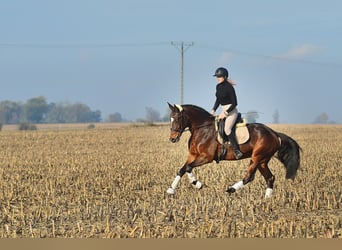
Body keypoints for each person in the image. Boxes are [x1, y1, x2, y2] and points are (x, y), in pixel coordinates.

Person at [211, 67, 243, 159]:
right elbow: (218, 99)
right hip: (223, 110)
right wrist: (213, 110)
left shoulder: (229, 87)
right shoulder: (218, 86)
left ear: (225, 77)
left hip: (231, 111)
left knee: (227, 129)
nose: (218, 78)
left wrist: (225, 113)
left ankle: (237, 151)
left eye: (220, 76)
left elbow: (235, 103)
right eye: (217, 76)